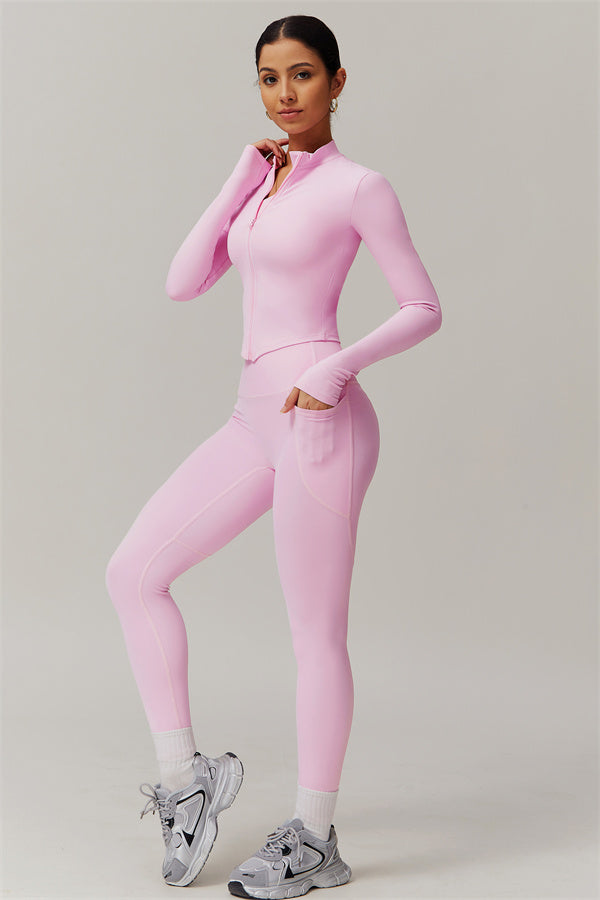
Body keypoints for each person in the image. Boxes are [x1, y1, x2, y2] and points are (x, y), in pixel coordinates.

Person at [105, 13, 442, 899]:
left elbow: (422, 307)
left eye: (302, 74)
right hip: (252, 419)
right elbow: (184, 281)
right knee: (133, 572)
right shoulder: (261, 187)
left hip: (322, 421)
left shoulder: (360, 187)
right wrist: (237, 180)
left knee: (313, 634)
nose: (285, 93)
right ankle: (187, 783)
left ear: (337, 81)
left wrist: (336, 370)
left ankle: (315, 838)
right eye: (268, 77)